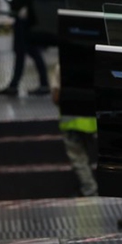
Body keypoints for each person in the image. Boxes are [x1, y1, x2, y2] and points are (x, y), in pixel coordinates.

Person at [51, 63, 98, 196]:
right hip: (91, 121)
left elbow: (56, 97)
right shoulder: (92, 63)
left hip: (71, 120)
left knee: (78, 158)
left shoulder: (61, 66)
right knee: (87, 156)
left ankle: (90, 190)